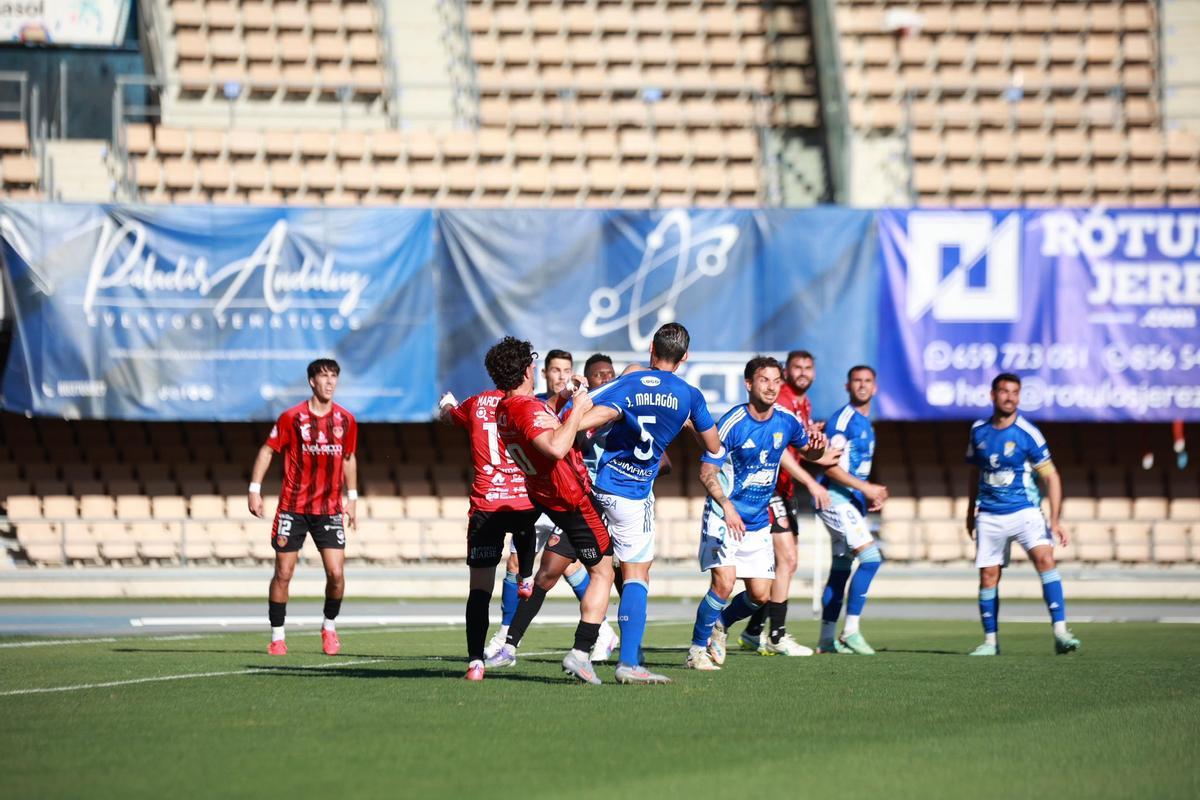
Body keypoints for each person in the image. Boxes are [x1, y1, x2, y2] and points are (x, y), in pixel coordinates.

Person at [573, 322, 727, 684]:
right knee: (637, 574)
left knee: (593, 571)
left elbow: (588, 404)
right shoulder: (689, 395)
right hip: (633, 493)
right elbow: (714, 445)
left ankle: (578, 652)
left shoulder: (630, 381)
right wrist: (687, 423)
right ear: (685, 357)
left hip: (599, 486)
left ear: (651, 350)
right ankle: (628, 662)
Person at [484, 337, 616, 684]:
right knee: (604, 572)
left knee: (551, 571)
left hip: (546, 496)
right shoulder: (526, 409)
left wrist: (567, 402)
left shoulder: (506, 407)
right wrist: (580, 407)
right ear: (528, 369)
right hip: (570, 497)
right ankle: (584, 650)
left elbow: (546, 421)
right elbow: (557, 445)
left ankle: (509, 642)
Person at [687, 356, 827, 670]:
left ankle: (720, 624)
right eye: (765, 380)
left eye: (777, 381)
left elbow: (808, 451)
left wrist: (818, 445)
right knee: (724, 584)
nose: (772, 387)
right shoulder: (733, 423)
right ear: (749, 384)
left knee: (760, 596)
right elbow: (707, 471)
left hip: (757, 520)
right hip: (725, 514)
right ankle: (696, 650)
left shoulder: (787, 420)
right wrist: (726, 507)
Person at [248, 359, 357, 657]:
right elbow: (267, 450)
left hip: (330, 508)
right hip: (292, 508)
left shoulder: (346, 420)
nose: (330, 382)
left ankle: (329, 627)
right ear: (312, 381)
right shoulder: (292, 418)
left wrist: (354, 497)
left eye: (334, 376)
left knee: (336, 574)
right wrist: (254, 490)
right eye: (324, 376)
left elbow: (348, 457)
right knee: (283, 573)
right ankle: (277, 637)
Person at [965, 373, 1080, 656]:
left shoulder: (1028, 433)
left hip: (1024, 511)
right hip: (990, 515)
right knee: (989, 577)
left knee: (1045, 558)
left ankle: (1061, 633)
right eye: (1004, 391)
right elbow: (974, 472)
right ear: (993, 395)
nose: (1010, 397)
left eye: (1015, 392)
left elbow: (1052, 477)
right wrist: (970, 511)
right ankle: (990, 643)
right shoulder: (978, 430)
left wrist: (1054, 520)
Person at [438, 386, 541, 681]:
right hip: (521, 500)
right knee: (528, 521)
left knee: (479, 591)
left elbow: (449, 418)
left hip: (486, 507)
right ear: (522, 374)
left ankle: (475, 664)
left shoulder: (475, 403)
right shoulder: (529, 405)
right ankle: (527, 575)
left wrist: (447, 404)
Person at [741, 349, 834, 655]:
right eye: (797, 367)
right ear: (787, 372)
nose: (803, 372)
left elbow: (801, 447)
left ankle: (754, 630)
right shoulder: (780, 402)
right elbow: (778, 452)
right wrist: (811, 481)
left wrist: (818, 448)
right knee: (787, 562)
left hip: (785, 490)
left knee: (781, 567)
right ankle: (776, 636)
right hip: (769, 491)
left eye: (809, 367)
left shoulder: (802, 404)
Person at [816, 365, 889, 655]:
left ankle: (826, 639)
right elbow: (830, 467)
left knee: (841, 569)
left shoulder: (866, 424)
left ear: (875, 388)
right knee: (871, 559)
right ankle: (850, 632)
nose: (862, 385)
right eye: (857, 381)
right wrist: (866, 488)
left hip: (850, 502)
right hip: (836, 499)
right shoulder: (843, 420)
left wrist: (866, 493)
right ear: (847, 386)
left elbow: (852, 468)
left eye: (867, 381)